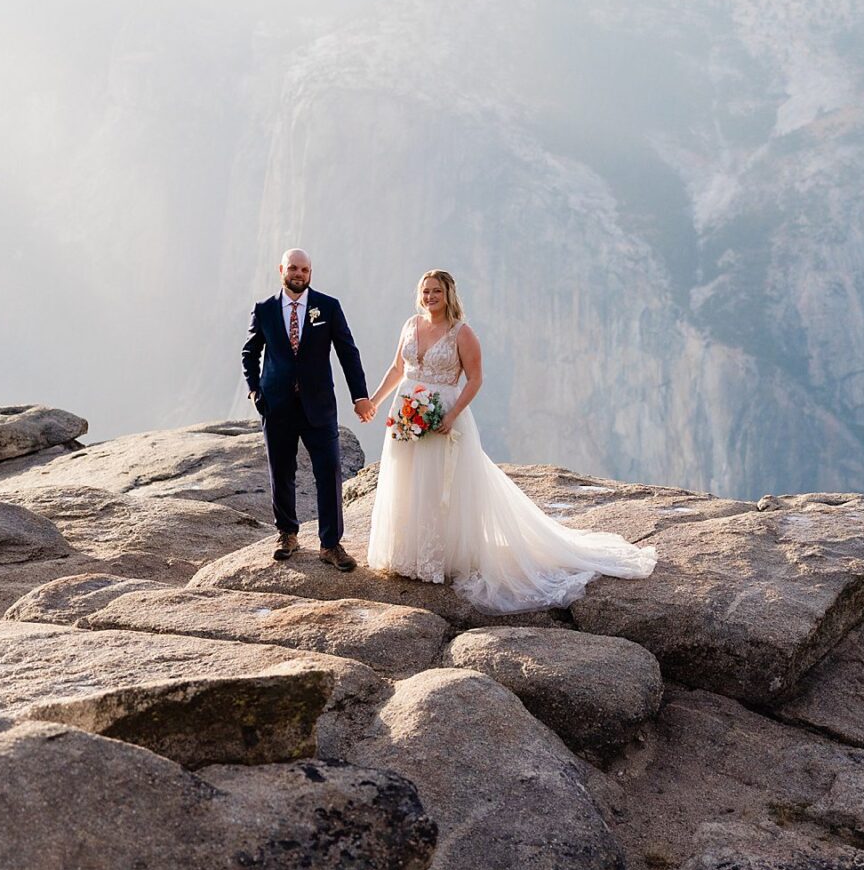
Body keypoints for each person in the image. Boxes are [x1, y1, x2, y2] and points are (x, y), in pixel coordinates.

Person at [364, 269, 656, 612]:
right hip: (405, 412)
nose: (430, 297)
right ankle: (405, 554)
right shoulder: (411, 325)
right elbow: (398, 368)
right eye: (425, 291)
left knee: (439, 485)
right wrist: (375, 401)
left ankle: (438, 558)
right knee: (406, 481)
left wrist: (451, 414)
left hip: (442, 415)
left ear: (448, 295)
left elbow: (475, 379)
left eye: (436, 292)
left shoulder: (462, 333)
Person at [242, 248, 375, 572]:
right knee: (281, 471)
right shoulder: (265, 309)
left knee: (329, 472)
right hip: (277, 406)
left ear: (310, 273)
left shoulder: (328, 307)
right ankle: (287, 534)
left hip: (320, 406)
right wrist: (255, 391)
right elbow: (250, 351)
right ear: (281, 270)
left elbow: (348, 352)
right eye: (293, 268)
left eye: (304, 269)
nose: (298, 274)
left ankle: (330, 544)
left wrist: (360, 396)